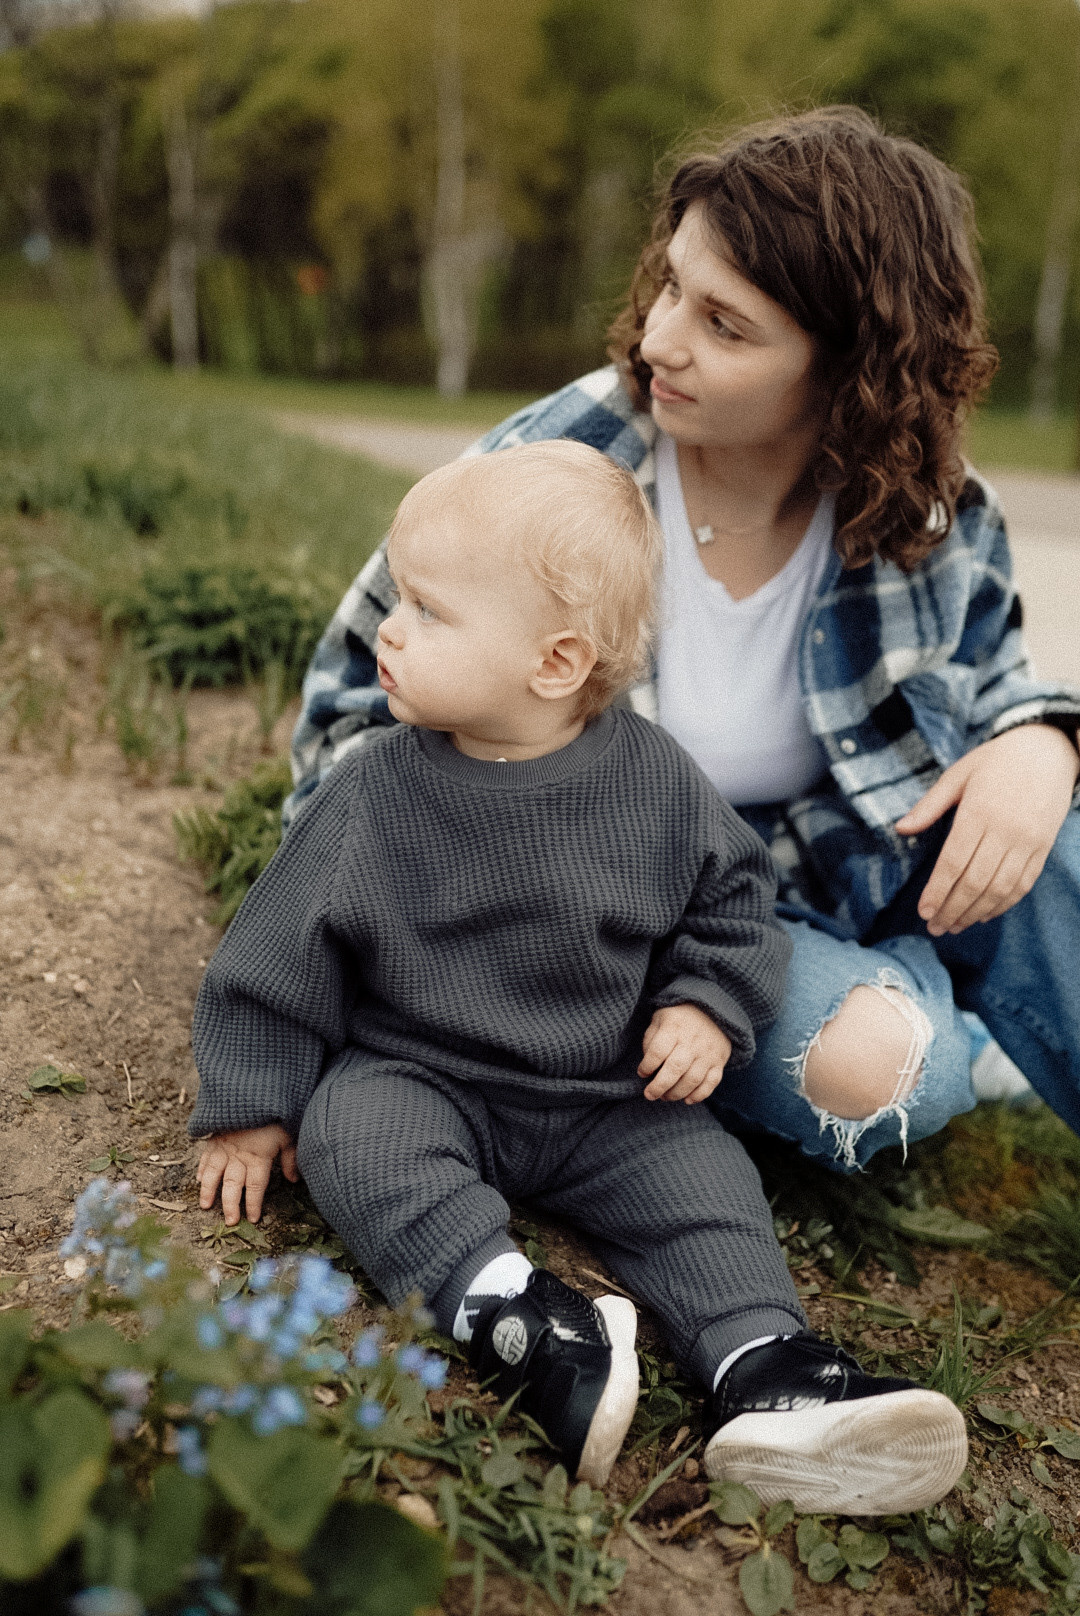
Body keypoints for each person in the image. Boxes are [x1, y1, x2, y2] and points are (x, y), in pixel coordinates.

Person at [288, 105, 1080, 1178]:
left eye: (725, 324)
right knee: (881, 1074)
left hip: (857, 864)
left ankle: (953, 995)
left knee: (1052, 824)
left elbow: (994, 690)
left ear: (851, 368)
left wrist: (1045, 745)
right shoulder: (557, 467)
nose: (661, 338)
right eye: (671, 286)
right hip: (641, 926)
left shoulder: (928, 507)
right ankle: (947, 1023)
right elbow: (346, 712)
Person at [192, 441, 967, 1514]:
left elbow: (734, 905)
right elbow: (275, 956)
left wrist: (705, 1000)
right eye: (398, 598)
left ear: (554, 663)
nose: (390, 627)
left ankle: (767, 1368)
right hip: (425, 1075)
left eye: (429, 608)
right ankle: (521, 1317)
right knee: (350, 1135)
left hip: (609, 1094)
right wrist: (250, 1104)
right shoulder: (373, 788)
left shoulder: (654, 781)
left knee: (706, 1186)